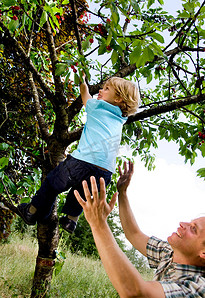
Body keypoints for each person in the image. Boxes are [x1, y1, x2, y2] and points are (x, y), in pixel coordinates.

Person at [17, 75, 140, 233]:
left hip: (82, 162)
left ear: (118, 99)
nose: (101, 90)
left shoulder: (98, 107)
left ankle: (31, 212)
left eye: (106, 88)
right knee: (82, 194)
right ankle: (71, 220)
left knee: (52, 183)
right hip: (105, 171)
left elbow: (85, 94)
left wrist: (83, 81)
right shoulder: (121, 119)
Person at [74, 161, 205, 298]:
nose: (182, 223)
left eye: (193, 229)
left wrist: (98, 224)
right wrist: (122, 193)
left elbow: (136, 294)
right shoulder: (169, 253)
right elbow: (134, 234)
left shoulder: (197, 288)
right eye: (190, 222)